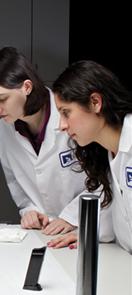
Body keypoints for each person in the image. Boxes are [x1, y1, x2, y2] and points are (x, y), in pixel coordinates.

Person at [0, 47, 113, 240]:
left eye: (2, 99)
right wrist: (29, 209)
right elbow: (13, 178)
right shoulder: (4, 122)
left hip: (85, 226)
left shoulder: (71, 116)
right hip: (44, 231)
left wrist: (71, 217)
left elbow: (104, 179)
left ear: (26, 87)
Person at [48, 60, 132, 254]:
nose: (61, 125)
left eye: (66, 113)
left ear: (95, 103)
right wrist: (92, 233)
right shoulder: (108, 154)